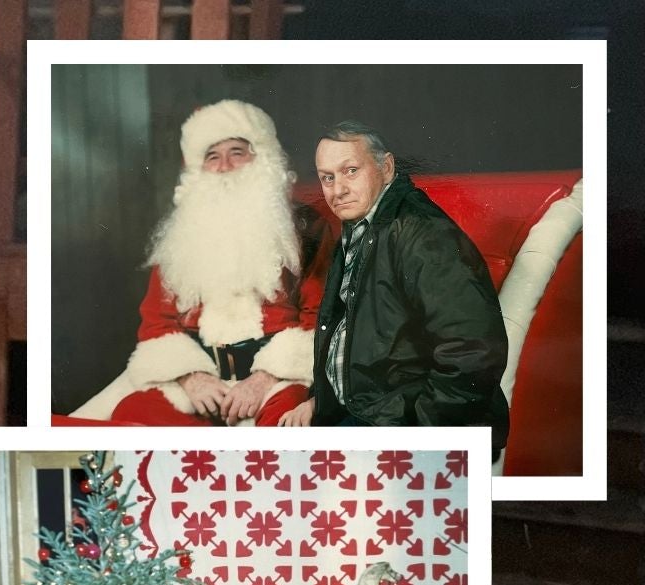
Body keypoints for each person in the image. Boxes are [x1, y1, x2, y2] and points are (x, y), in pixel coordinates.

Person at [301, 121, 508, 451]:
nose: (337, 190)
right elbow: (349, 331)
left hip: (408, 430)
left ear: (386, 168)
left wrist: (417, 437)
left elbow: (473, 352)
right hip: (368, 413)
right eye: (327, 177)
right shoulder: (362, 223)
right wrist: (318, 400)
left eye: (350, 171)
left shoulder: (421, 232)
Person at [110, 100, 318, 427]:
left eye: (237, 152)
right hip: (203, 380)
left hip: (275, 380)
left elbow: (318, 316)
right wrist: (191, 378)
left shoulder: (306, 229)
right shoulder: (181, 237)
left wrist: (265, 378)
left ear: (263, 158)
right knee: (135, 414)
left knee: (283, 426)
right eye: (212, 156)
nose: (224, 167)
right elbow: (157, 321)